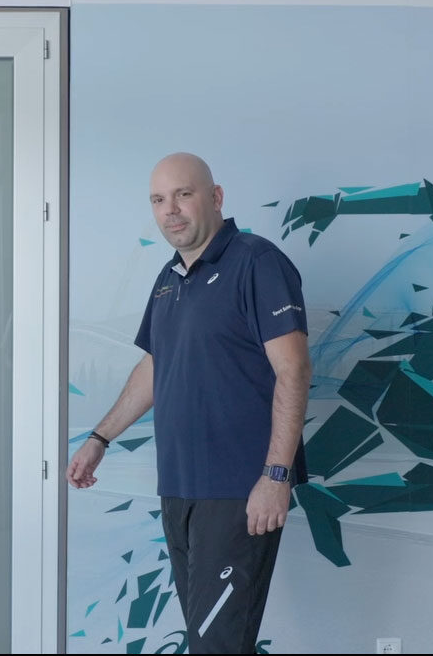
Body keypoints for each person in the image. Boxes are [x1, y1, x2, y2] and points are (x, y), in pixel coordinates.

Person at [68, 152, 311, 654]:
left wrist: (276, 476)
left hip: (238, 489)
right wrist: (100, 438)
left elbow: (294, 369)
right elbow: (155, 366)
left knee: (217, 645)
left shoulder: (256, 262)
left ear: (216, 197)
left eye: (183, 194)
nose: (171, 210)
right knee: (211, 640)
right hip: (179, 486)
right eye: (159, 200)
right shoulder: (168, 278)